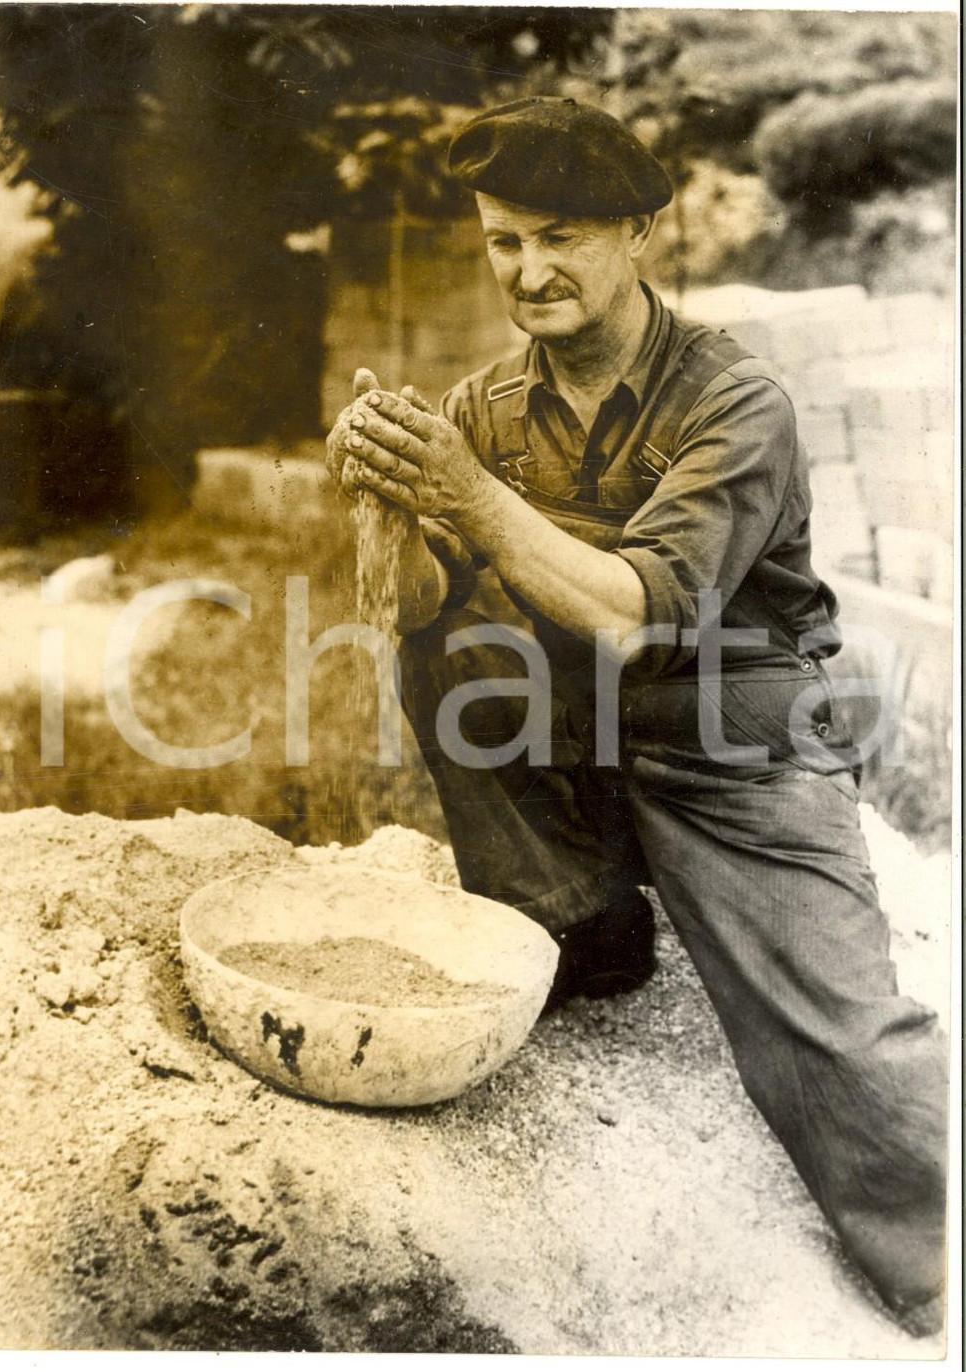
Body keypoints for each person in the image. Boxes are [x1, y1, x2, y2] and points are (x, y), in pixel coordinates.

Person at [324, 97, 948, 1335]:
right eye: (504, 241)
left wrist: (466, 488)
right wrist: (389, 505)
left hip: (735, 737)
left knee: (837, 1042)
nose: (529, 271)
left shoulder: (735, 402)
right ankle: (583, 926)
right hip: (577, 719)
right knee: (450, 651)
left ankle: (941, 1273)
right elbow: (425, 611)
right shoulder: (488, 406)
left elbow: (640, 616)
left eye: (560, 237)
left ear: (641, 233)